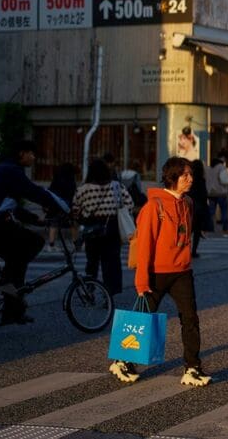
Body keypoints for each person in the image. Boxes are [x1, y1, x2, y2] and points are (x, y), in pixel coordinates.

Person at [110, 157, 212, 386]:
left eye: (191, 174)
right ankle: (122, 360)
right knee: (143, 319)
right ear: (172, 177)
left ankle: (193, 368)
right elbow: (145, 245)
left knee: (190, 319)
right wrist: (141, 281)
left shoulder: (187, 203)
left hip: (182, 271)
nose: (190, 179)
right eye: (184, 175)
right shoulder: (153, 207)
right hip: (157, 272)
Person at [0, 140, 69, 324]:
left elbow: (14, 205)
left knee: (17, 263)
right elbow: (35, 192)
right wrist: (62, 208)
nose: (34, 157)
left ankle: (12, 312)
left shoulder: (7, 169)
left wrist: (36, 219)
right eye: (31, 154)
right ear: (21, 154)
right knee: (33, 242)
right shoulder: (11, 171)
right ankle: (3, 279)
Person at [72, 158, 134, 296]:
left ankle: (90, 289)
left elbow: (75, 212)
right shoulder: (117, 187)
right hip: (111, 229)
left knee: (92, 262)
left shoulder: (83, 190)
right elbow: (129, 205)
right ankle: (109, 293)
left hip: (91, 230)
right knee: (111, 263)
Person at [48, 162, 78, 248]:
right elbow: (73, 193)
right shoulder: (71, 180)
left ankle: (51, 244)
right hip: (67, 205)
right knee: (72, 223)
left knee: (54, 224)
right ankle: (75, 242)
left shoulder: (56, 178)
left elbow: (51, 190)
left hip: (55, 204)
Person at [188, 161, 212, 258]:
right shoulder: (201, 180)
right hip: (199, 208)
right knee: (197, 231)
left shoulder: (189, 179)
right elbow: (203, 195)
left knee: (188, 231)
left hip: (190, 206)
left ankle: (186, 250)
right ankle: (194, 251)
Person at [206, 152, 228, 236]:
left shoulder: (209, 168)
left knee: (211, 212)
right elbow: (225, 180)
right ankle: (225, 229)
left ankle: (209, 228)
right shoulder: (221, 168)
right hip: (221, 193)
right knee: (224, 211)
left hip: (211, 193)